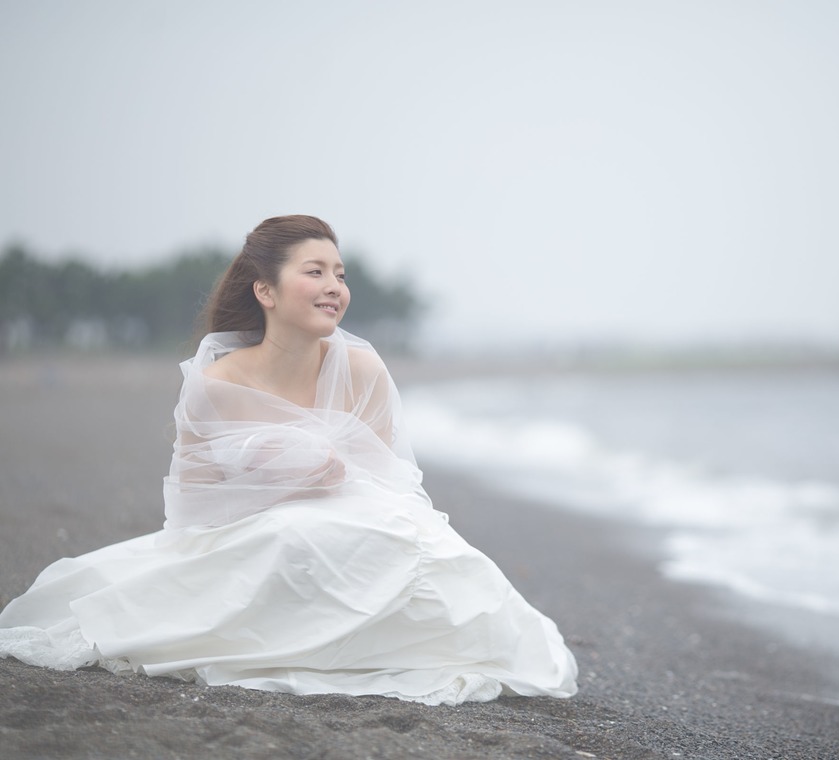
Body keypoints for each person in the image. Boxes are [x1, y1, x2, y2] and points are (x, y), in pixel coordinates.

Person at [0, 215, 578, 705]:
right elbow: (193, 508)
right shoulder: (217, 382)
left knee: (430, 550)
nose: (334, 286)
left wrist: (329, 479)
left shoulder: (361, 368)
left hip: (357, 526)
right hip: (253, 539)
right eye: (315, 272)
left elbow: (394, 483)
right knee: (289, 538)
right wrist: (277, 480)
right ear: (266, 291)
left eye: (340, 274)